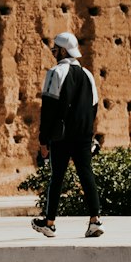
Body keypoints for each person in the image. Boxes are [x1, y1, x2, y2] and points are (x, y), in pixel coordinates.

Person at [30, 31, 103, 238]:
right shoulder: (88, 75)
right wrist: (89, 134)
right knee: (86, 175)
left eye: (54, 49)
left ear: (62, 50)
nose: (53, 53)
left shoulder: (55, 72)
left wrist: (44, 140)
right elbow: (93, 107)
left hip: (61, 135)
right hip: (83, 134)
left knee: (57, 177)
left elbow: (49, 108)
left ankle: (50, 222)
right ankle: (95, 220)